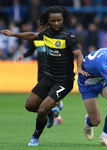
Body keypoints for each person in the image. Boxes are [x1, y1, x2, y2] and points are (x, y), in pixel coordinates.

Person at [0, 6, 89, 146]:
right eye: (53, 20)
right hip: (48, 77)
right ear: (48, 21)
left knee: (41, 109)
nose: (56, 23)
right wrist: (13, 34)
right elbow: (32, 35)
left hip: (63, 81)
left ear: (63, 20)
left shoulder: (68, 36)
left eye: (59, 20)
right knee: (29, 106)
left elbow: (78, 54)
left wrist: (78, 68)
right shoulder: (46, 34)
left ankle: (35, 136)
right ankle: (51, 113)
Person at [16, 39, 63, 125]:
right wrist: (23, 55)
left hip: (51, 72)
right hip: (41, 72)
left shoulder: (55, 40)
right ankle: (53, 113)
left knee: (50, 95)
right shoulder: (36, 40)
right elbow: (30, 51)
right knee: (43, 96)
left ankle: (57, 115)